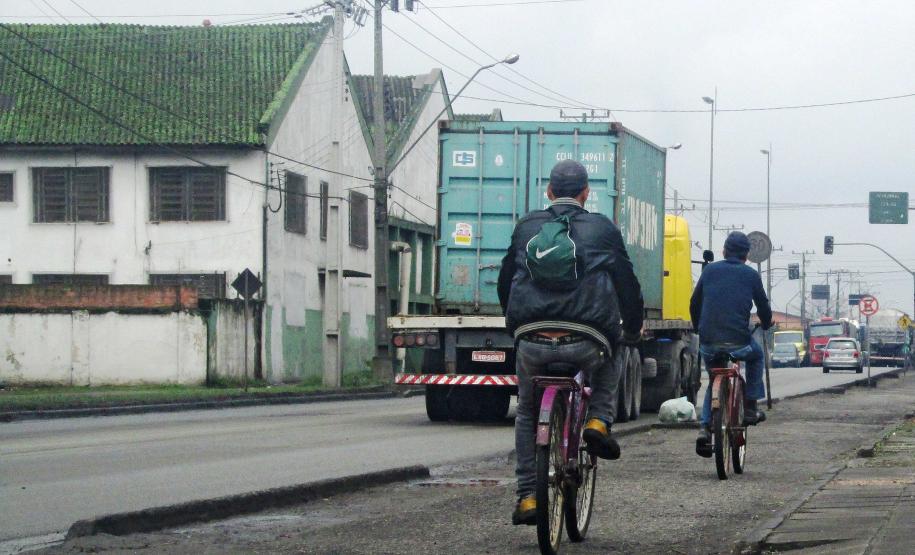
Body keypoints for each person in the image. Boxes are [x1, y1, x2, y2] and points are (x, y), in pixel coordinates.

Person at [497, 159, 644, 525]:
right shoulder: (602, 229)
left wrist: (513, 322)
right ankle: (598, 422)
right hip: (586, 339)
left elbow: (504, 280)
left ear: (548, 192)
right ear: (586, 193)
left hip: (531, 339)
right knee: (614, 354)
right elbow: (627, 284)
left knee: (528, 412)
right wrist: (632, 329)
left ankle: (528, 497)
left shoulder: (527, 227)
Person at [690, 231, 773, 458]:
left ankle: (705, 428)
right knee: (756, 357)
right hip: (739, 342)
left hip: (709, 342)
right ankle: (751, 407)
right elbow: (763, 308)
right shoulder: (751, 275)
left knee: (715, 376)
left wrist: (698, 327)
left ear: (724, 251)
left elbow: (694, 303)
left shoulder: (709, 271)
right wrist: (766, 323)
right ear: (746, 255)